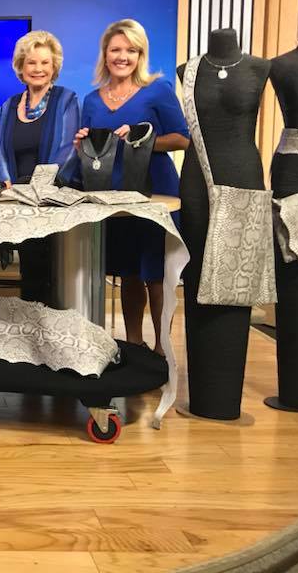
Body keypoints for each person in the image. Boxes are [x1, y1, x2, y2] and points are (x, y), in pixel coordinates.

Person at [75, 18, 189, 354]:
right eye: (116, 50)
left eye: (131, 50)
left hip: (156, 194)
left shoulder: (158, 90)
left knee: (156, 272)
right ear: (105, 54)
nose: (122, 56)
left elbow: (182, 139)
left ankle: (162, 350)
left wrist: (142, 140)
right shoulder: (92, 100)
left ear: (141, 55)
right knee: (128, 271)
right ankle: (135, 346)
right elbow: (92, 151)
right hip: (112, 196)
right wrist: (81, 144)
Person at [0, 30, 80, 305]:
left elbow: (67, 148)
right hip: (18, 202)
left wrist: (40, 190)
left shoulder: (66, 100)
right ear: (21, 66)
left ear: (54, 67)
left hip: (52, 202)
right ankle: (31, 324)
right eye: (31, 62)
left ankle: (53, 323)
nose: (38, 69)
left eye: (44, 62)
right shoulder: (8, 106)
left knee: (52, 274)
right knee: (29, 273)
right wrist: (7, 184)